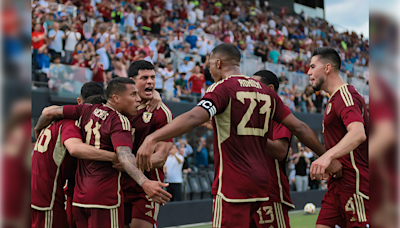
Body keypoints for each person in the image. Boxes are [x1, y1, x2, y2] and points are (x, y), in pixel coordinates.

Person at [135, 43, 341, 227]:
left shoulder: (222, 88)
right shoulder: (265, 91)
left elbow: (192, 118)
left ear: (218, 63)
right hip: (262, 185)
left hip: (233, 185)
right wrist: (326, 155)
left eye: (209, 67)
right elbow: (301, 128)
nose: (209, 72)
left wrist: (152, 137)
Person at [34, 78, 172, 228]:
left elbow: (49, 112)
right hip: (105, 197)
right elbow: (124, 155)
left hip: (79, 198)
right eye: (133, 95)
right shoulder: (120, 121)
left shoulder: (85, 110)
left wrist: (37, 129)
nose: (138, 99)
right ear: (116, 98)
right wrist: (144, 182)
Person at [31, 82, 120, 228]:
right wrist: (115, 157)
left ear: (80, 102)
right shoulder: (70, 123)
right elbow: (75, 148)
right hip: (47, 197)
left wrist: (37, 129)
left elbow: (47, 110)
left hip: (38, 190)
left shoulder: (53, 116)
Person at [307, 47, 369, 228]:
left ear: (327, 68)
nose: (308, 72)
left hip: (355, 185)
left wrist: (327, 156)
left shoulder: (345, 95)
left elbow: (358, 133)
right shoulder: (333, 100)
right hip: (337, 185)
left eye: (312, 66)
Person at [125, 60, 174, 228]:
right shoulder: (120, 107)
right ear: (132, 81)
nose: (150, 82)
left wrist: (126, 164)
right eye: (144, 78)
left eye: (153, 77)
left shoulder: (162, 112)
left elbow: (160, 158)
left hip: (147, 186)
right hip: (118, 183)